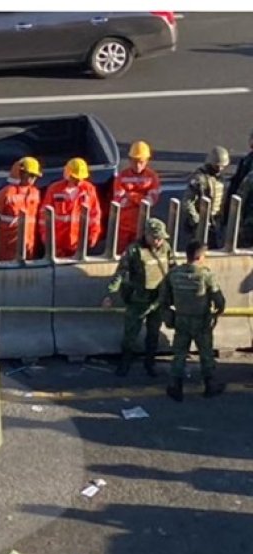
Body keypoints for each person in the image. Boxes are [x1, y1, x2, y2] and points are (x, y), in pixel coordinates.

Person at [104, 217, 173, 377]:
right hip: (138, 300)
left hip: (158, 299)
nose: (158, 241)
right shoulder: (134, 250)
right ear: (147, 235)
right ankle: (125, 364)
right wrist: (110, 293)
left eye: (161, 238)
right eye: (155, 238)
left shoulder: (166, 248)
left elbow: (172, 268)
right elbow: (120, 272)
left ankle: (150, 364)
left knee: (153, 333)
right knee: (130, 334)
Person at [162, 240, 226, 402]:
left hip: (181, 319)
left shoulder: (174, 274)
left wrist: (170, 314)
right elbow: (219, 300)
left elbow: (164, 298)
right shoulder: (205, 275)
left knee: (179, 353)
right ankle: (210, 385)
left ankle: (176, 387)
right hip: (201, 321)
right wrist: (217, 312)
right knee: (205, 353)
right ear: (200, 257)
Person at [38, 157, 101, 259]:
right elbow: (44, 216)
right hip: (58, 243)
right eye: (75, 178)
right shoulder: (54, 189)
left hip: (78, 243)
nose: (78, 181)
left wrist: (93, 235)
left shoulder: (89, 190)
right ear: (68, 175)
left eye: (80, 178)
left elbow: (95, 215)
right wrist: (46, 236)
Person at [0, 156, 42, 262]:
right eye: (31, 175)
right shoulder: (5, 193)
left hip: (28, 244)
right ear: (20, 173)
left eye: (35, 176)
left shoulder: (35, 193)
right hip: (7, 245)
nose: (33, 179)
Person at [113, 141, 161, 253]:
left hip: (142, 225)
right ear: (129, 160)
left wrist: (130, 195)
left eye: (141, 162)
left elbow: (151, 200)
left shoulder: (152, 177)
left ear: (147, 161)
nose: (137, 165)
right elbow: (120, 201)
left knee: (139, 254)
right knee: (121, 254)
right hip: (123, 225)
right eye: (134, 161)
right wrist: (140, 197)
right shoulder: (122, 176)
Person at [183, 146, 230, 249]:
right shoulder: (199, 179)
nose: (220, 169)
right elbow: (188, 202)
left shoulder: (221, 178)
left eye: (222, 166)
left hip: (216, 222)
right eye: (217, 166)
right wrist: (196, 222)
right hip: (202, 222)